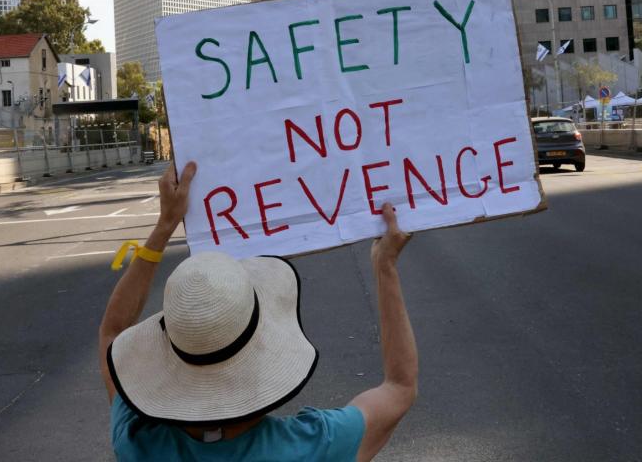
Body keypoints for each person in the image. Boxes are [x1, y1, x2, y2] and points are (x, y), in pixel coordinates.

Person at [100, 161, 417, 461]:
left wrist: (165, 225)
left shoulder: (138, 444)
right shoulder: (311, 447)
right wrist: (385, 265)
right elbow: (400, 387)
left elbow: (114, 331)